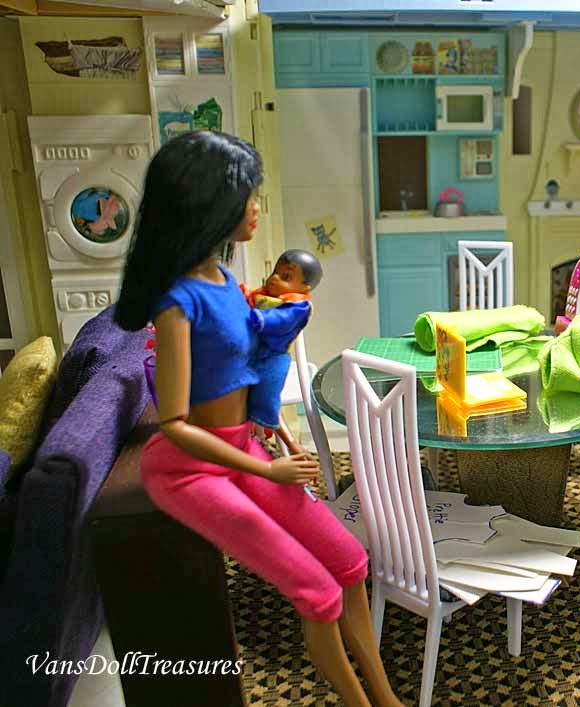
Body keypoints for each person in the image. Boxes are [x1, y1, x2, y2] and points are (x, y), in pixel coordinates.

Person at [115, 131, 402, 707]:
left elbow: (243, 376)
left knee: (351, 563)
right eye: (247, 195)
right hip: (188, 469)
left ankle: (385, 695)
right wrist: (268, 471)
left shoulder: (227, 283)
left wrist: (279, 437)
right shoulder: (177, 303)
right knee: (318, 592)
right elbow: (174, 425)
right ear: (211, 203)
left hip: (244, 447)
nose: (256, 207)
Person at [240, 249, 322, 432]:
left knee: (267, 391)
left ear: (304, 288)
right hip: (251, 350)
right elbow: (249, 300)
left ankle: (263, 423)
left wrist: (260, 318)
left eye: (285, 277)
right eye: (275, 272)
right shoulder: (264, 296)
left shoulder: (299, 307)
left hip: (273, 356)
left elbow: (282, 320)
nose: (274, 278)